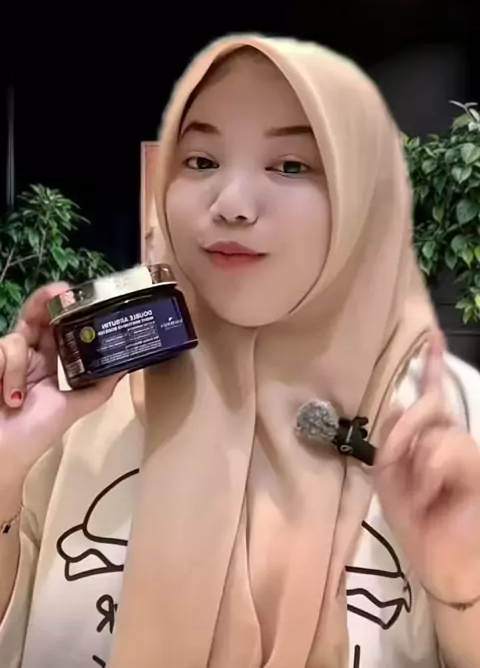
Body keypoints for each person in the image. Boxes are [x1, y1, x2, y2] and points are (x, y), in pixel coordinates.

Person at [0, 35, 480, 668]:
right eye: (200, 160)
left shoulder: (448, 423)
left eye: (291, 166)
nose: (230, 205)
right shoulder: (81, 408)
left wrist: (463, 590)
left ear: (365, 198)